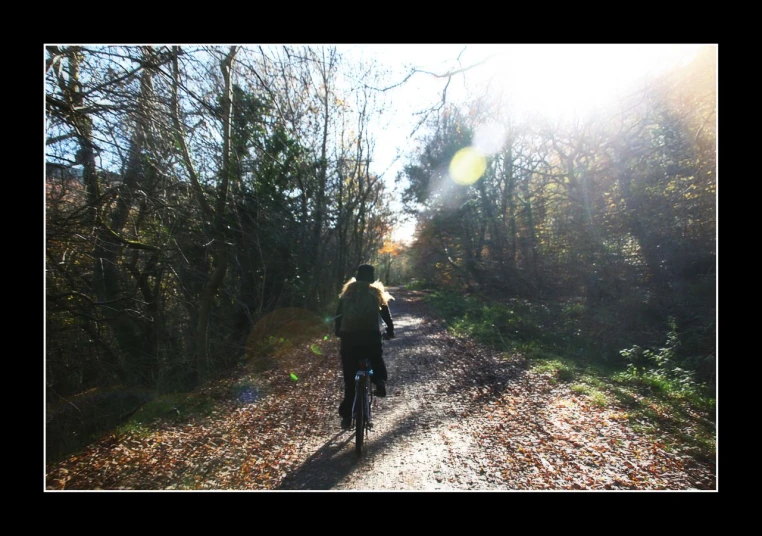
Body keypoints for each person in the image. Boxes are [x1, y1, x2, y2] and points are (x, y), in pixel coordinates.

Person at [334, 264, 395, 429]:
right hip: (371, 337)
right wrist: (390, 330)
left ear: (357, 276)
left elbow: (338, 316)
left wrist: (339, 332)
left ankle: (347, 416)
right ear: (372, 278)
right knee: (375, 359)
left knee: (350, 379)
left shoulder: (348, 292)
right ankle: (379, 381)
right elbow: (385, 314)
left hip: (349, 340)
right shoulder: (375, 292)